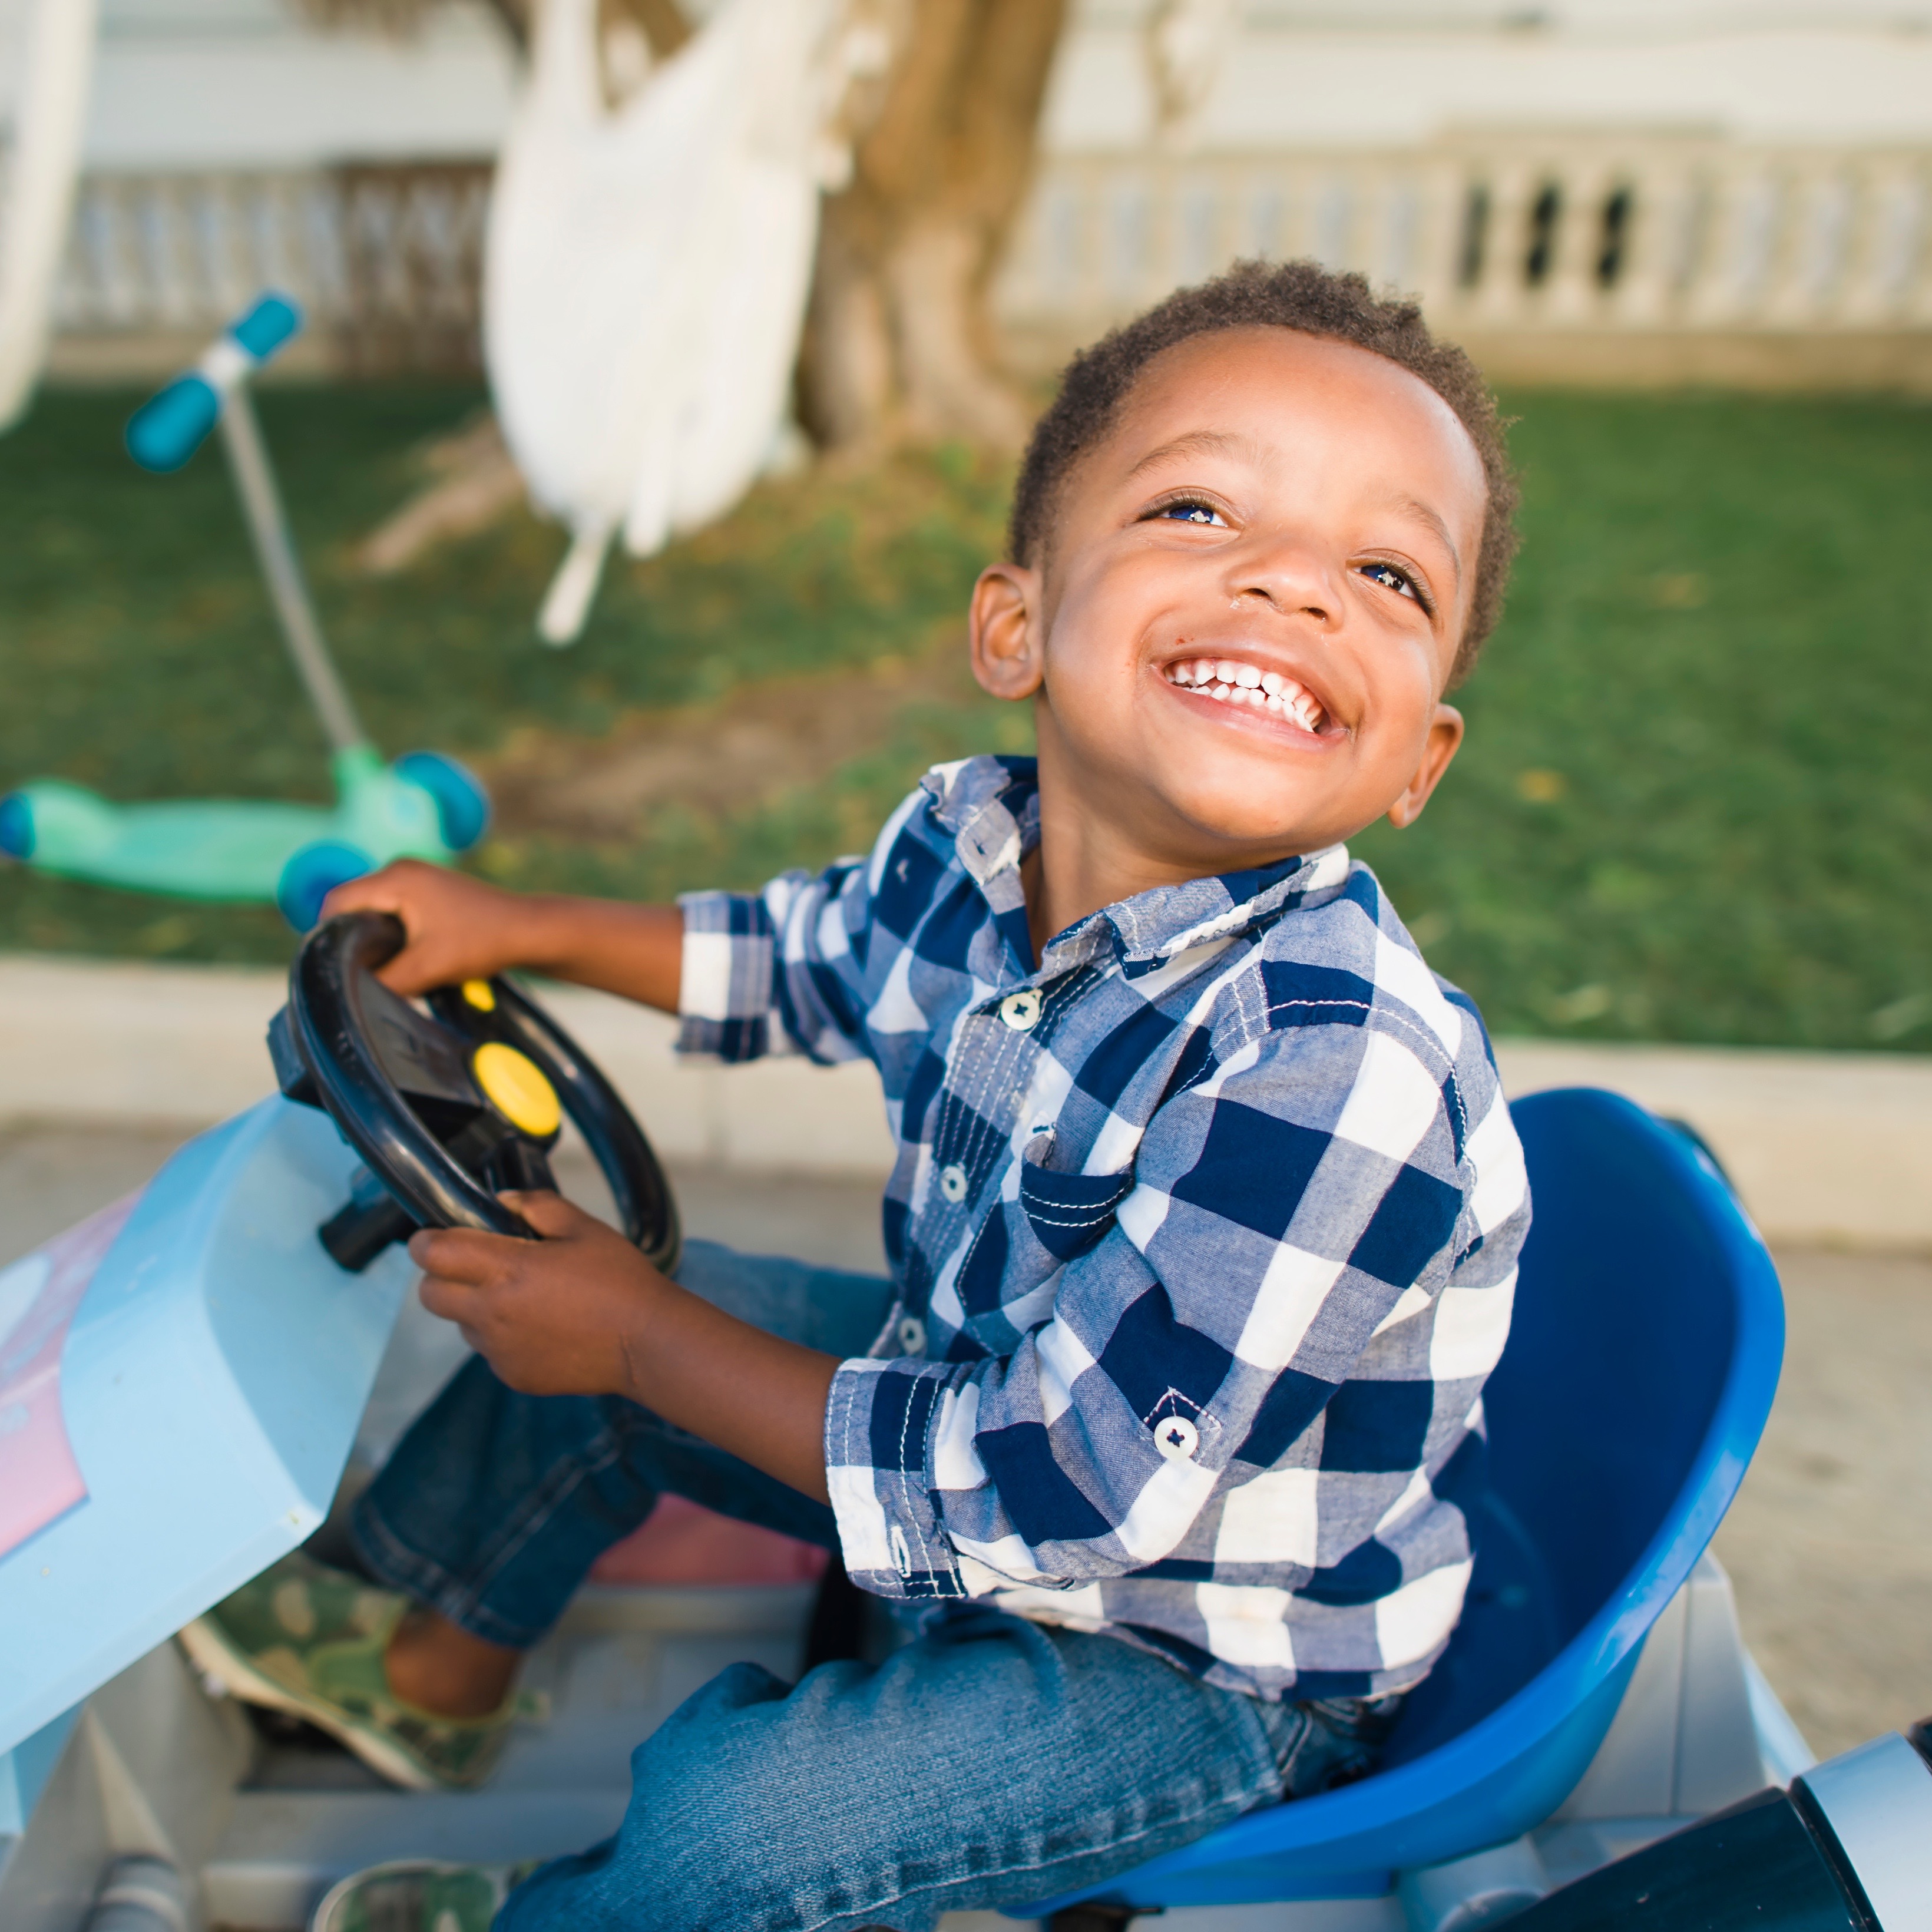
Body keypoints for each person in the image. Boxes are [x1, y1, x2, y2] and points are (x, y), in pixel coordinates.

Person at [185, 259, 1531, 1932]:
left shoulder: (1336, 1072)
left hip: (1196, 1655)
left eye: (1388, 572)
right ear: (1016, 625)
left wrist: (640, 1342)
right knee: (579, 1301)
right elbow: (798, 958)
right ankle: (416, 1667)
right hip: (965, 1404)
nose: (1292, 586)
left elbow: (1071, 1503)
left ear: (1418, 761)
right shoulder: (974, 850)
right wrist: (517, 924)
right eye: (1197, 509)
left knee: (740, 1827)